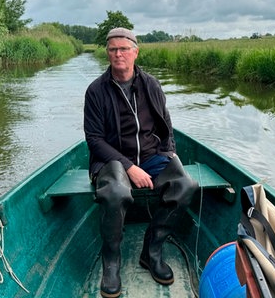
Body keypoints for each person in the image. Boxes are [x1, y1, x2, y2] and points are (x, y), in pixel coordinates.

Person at [83, 27, 199, 298]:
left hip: (150, 156)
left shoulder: (150, 85)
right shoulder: (96, 91)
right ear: (107, 53)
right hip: (110, 160)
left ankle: (152, 250)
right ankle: (111, 262)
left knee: (185, 185)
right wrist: (129, 167)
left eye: (124, 48)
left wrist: (169, 151)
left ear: (136, 52)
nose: (118, 54)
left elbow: (166, 123)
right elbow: (95, 140)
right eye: (112, 49)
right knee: (115, 192)